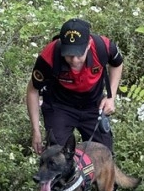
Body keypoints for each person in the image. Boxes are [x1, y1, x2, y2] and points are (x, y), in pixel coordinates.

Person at [26, 18, 123, 155]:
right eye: (69, 55)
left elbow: (117, 64)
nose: (74, 60)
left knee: (103, 156)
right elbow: (32, 90)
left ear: (88, 45)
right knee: (55, 155)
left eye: (79, 54)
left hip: (93, 105)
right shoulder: (49, 55)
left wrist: (110, 97)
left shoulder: (103, 47)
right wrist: (35, 130)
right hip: (60, 106)